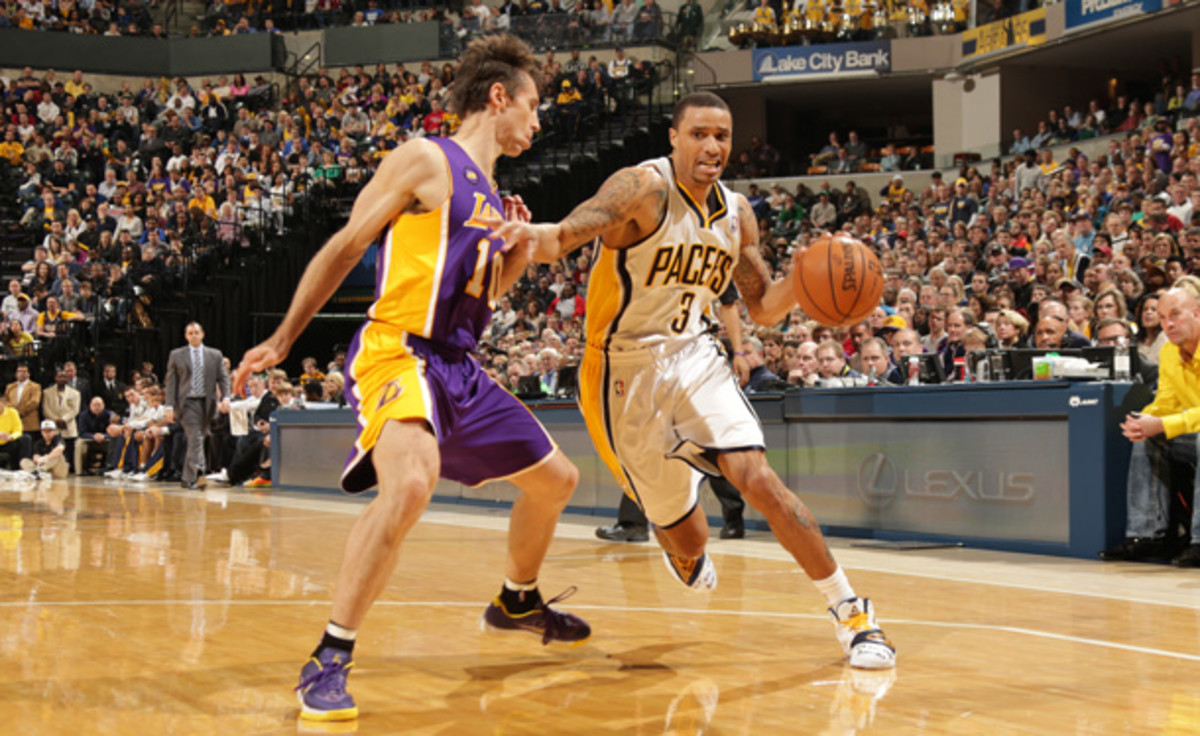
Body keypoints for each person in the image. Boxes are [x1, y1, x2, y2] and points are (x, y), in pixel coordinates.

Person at [231, 35, 590, 723]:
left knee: (558, 481)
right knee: (414, 482)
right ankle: (329, 657)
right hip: (399, 349)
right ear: (498, 99)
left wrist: (513, 254)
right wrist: (284, 338)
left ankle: (517, 599)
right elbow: (345, 245)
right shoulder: (427, 158)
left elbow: (486, 301)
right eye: (533, 107)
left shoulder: (493, 196)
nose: (538, 123)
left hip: (459, 364)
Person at [496, 91, 895, 670]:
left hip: (695, 353)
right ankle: (682, 544)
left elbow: (761, 307)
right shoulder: (641, 188)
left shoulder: (737, 213)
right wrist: (526, 235)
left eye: (723, 137)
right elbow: (566, 235)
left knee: (757, 477)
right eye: (700, 134)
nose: (713, 147)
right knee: (688, 541)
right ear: (674, 138)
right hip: (619, 370)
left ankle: (853, 614)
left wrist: (814, 274)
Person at [1101, 283, 1200, 567]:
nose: (1168, 323)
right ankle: (1146, 537)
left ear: (1197, 313)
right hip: (1191, 431)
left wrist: (1164, 423)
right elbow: (1166, 402)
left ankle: (1198, 541)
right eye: (1163, 316)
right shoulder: (1169, 352)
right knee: (1147, 436)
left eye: (1176, 315)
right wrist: (1144, 420)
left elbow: (1172, 418)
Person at [164, 322, 231, 490]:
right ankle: (199, 474)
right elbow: (171, 383)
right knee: (195, 437)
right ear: (186, 336)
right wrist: (169, 406)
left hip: (207, 403)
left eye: (196, 332)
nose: (193, 335)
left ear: (202, 334)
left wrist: (227, 397)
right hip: (186, 402)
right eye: (190, 333)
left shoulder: (214, 355)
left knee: (198, 438)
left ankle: (187, 478)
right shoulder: (176, 355)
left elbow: (223, 378)